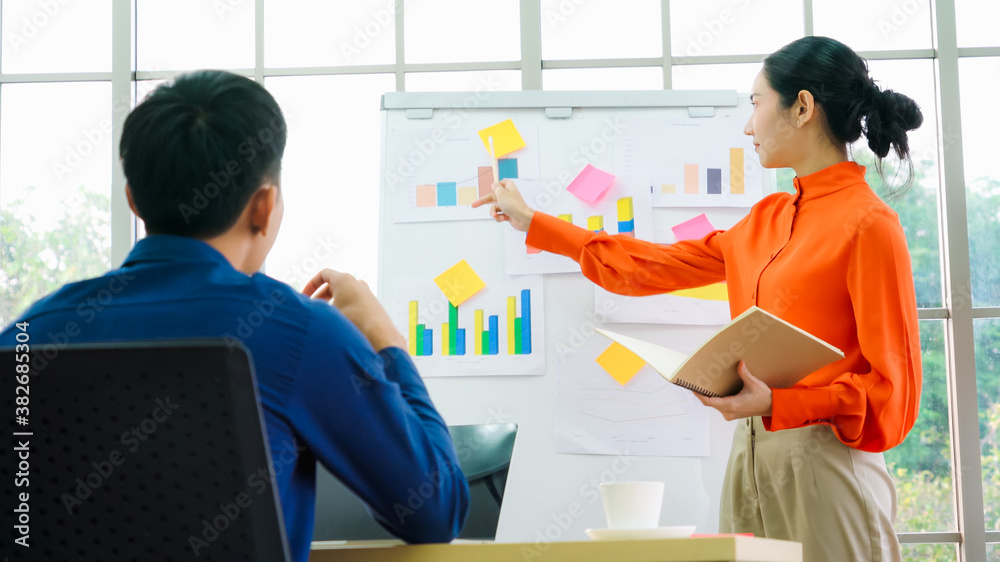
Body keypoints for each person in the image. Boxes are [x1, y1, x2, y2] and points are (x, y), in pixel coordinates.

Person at [473, 36, 922, 561]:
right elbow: (648, 268)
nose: (748, 124)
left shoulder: (869, 225)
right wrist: (536, 223)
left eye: (756, 103)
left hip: (829, 466)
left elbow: (895, 397)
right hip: (750, 459)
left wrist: (780, 402)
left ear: (801, 107)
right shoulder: (766, 219)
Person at [0, 70, 469, 562]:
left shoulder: (28, 334)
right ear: (264, 206)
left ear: (134, 201)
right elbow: (435, 510)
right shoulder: (300, 332)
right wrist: (386, 339)